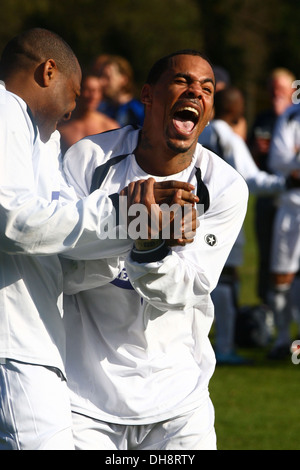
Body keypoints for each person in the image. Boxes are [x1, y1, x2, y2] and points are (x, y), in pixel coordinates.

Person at [0, 28, 190, 450]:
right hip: (13, 343)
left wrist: (144, 233)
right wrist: (125, 213)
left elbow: (64, 253)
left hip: (39, 343)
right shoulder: (4, 107)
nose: (72, 110)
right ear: (48, 71)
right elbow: (12, 221)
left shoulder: (41, 140)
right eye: (72, 92)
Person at [61, 49, 249, 450]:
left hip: (179, 400)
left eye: (207, 87)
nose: (196, 91)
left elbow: (188, 289)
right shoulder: (88, 160)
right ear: (147, 94)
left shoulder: (225, 186)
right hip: (86, 398)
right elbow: (62, 273)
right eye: (182, 81)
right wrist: (129, 223)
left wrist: (148, 246)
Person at [198, 86, 295, 364]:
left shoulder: (203, 132)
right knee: (225, 281)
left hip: (197, 216)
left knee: (206, 282)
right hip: (222, 219)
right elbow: (249, 179)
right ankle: (225, 347)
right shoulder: (228, 136)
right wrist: (286, 182)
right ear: (237, 109)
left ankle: (205, 343)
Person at [249, 68, 296, 306]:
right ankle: (266, 306)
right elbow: (247, 158)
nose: (275, 92)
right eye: (271, 87)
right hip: (268, 193)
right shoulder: (262, 118)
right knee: (266, 252)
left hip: (292, 196)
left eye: (280, 87)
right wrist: (257, 152)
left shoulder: (293, 119)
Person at [267, 103, 300, 359]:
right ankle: (282, 340)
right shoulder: (290, 116)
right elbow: (278, 159)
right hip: (291, 206)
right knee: (282, 275)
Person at [58, 73, 119, 155]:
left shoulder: (110, 127)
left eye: (95, 91)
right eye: (88, 90)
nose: (92, 96)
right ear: (78, 92)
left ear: (101, 95)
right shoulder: (61, 124)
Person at [95, 54, 145, 127]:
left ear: (123, 79)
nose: (101, 81)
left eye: (107, 77)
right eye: (100, 76)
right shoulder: (100, 108)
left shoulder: (137, 111)